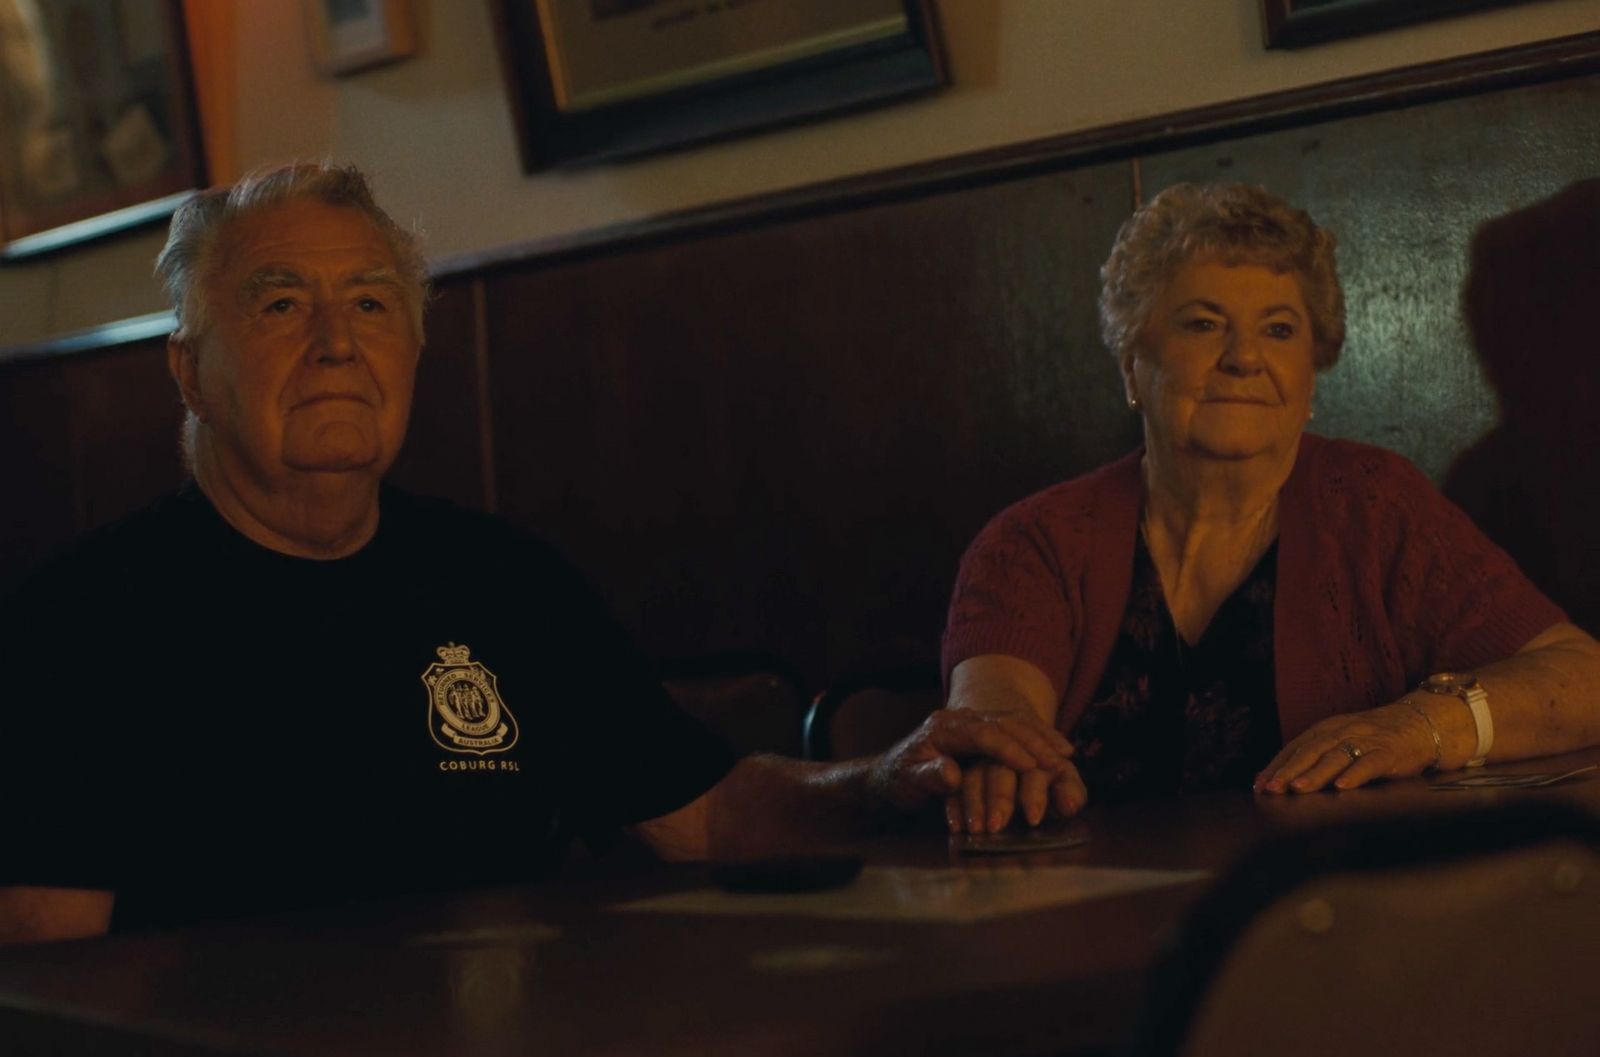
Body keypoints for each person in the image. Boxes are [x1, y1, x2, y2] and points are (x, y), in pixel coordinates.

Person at [0, 162, 1071, 945]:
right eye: (281, 304)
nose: (337, 343)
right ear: (187, 372)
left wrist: (883, 780)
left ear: (413, 351)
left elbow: (701, 815)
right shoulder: (78, 625)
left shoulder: (501, 584)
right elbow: (51, 963)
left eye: (371, 305)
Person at [940, 182, 1600, 834]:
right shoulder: (1035, 540)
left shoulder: (1375, 506)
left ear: (1312, 372)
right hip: (1082, 915)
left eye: (1279, 330)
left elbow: (1582, 678)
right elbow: (994, 716)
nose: (1245, 357)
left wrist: (1425, 724)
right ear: (1132, 367)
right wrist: (998, 754)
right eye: (1203, 324)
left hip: (1328, 915)